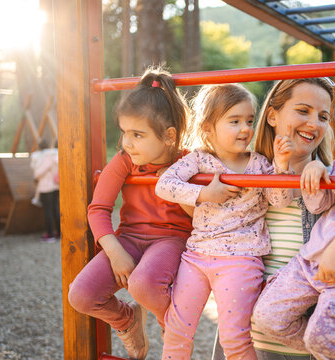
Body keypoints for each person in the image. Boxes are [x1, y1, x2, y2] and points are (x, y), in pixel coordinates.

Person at [212, 78, 335, 360]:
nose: (315, 124)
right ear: (272, 115)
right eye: (303, 111)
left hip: (324, 341)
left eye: (324, 116)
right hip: (248, 346)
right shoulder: (239, 180)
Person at [155, 83, 294, 360]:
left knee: (234, 337)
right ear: (208, 128)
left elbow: (280, 200)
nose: (245, 128)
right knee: (177, 329)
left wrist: (281, 165)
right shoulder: (199, 160)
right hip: (196, 257)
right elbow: (164, 185)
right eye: (235, 121)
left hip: (241, 260)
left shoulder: (260, 164)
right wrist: (205, 193)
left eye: (249, 121)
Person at [67, 68, 193, 360]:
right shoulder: (125, 160)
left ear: (169, 137)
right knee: (81, 295)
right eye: (124, 133)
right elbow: (98, 208)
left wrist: (174, 183)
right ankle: (128, 320)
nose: (127, 142)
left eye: (138, 135)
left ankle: (171, 328)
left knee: (144, 285)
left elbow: (200, 215)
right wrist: (114, 252)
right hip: (128, 239)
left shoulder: (188, 161)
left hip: (170, 240)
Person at [30, 139, 60, 243]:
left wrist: (35, 176)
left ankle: (50, 234)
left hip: (46, 187)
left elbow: (38, 173)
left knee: (48, 211)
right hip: (56, 186)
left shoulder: (47, 158)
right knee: (56, 209)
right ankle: (59, 233)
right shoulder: (57, 156)